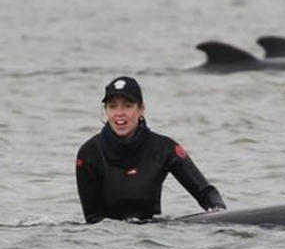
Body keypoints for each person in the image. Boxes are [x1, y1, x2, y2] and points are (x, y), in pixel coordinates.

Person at [75, 76, 226, 223]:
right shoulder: (89, 153)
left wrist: (220, 216)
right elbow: (93, 220)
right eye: (113, 106)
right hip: (109, 241)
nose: (119, 113)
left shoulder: (164, 148)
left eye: (127, 105)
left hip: (153, 236)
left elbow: (206, 193)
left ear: (141, 109)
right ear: (106, 111)